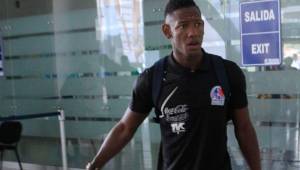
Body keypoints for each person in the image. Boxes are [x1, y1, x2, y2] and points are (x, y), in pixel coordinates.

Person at [86, 0, 261, 169]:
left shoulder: (227, 73)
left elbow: (244, 128)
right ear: (167, 31)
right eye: (183, 26)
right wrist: (96, 164)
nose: (193, 32)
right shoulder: (152, 78)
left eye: (198, 24)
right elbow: (125, 128)